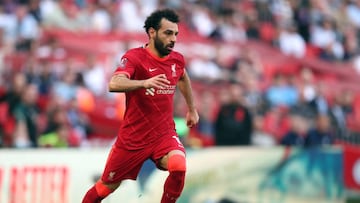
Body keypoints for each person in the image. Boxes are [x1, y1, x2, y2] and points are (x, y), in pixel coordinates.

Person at [82, 9, 199, 203]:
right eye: (168, 33)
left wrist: (192, 109)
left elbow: (183, 77)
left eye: (175, 34)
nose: (173, 39)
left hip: (163, 134)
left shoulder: (177, 60)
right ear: (152, 32)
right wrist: (143, 83)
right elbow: (114, 84)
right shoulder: (135, 57)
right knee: (104, 188)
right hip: (133, 138)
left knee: (178, 166)